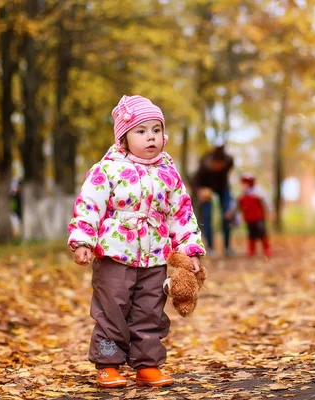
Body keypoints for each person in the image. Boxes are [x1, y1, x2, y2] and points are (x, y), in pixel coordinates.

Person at [67, 95, 206, 389]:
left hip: (155, 254)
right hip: (115, 253)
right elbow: (89, 205)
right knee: (112, 307)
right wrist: (83, 241)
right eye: (140, 131)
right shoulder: (106, 170)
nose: (150, 137)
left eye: (156, 130)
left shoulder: (169, 173)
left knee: (150, 311)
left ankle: (147, 365)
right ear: (124, 138)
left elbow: (181, 213)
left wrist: (189, 249)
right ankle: (108, 363)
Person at [193, 137, 235, 256]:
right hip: (206, 188)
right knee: (207, 216)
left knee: (227, 214)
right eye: (216, 164)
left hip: (222, 188)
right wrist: (200, 191)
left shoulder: (229, 161)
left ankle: (227, 247)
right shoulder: (204, 164)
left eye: (221, 165)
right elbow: (195, 181)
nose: (218, 167)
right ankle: (210, 247)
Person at [226, 173, 271, 257]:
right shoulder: (242, 196)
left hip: (259, 217)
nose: (243, 186)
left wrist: (270, 211)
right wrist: (230, 213)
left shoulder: (258, 194)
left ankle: (266, 249)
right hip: (249, 219)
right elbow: (236, 206)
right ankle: (251, 250)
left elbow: (266, 202)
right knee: (251, 234)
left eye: (245, 184)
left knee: (262, 232)